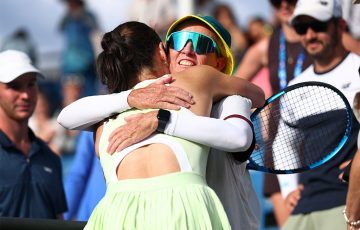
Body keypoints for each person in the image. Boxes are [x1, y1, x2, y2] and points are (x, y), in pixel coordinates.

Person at [57, 15, 264, 229]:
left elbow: (240, 135)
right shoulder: (121, 104)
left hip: (117, 214)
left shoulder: (102, 119)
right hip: (183, 211)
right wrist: (131, 99)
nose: (187, 49)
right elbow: (66, 117)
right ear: (162, 52)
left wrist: (160, 119)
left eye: (202, 44)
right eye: (178, 41)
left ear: (220, 62)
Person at [277, 0, 360, 229]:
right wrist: (289, 189)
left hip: (346, 204)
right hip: (305, 205)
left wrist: (357, 165)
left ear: (340, 25)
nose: (310, 35)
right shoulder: (295, 86)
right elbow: (284, 141)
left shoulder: (358, 69)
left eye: (318, 25)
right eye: (302, 28)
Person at [0, 50, 67, 218]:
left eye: (31, 84)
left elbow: (59, 220)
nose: (25, 95)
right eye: (14, 86)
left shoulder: (50, 158)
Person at [59, 0, 99, 96]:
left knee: (89, 95)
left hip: (87, 63)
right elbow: (60, 28)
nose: (68, 5)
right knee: (71, 96)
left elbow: (96, 35)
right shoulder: (67, 18)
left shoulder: (88, 17)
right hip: (70, 64)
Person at [63, 131, 105, 221]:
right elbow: (78, 176)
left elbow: (78, 175)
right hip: (92, 216)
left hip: (91, 217)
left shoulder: (97, 123)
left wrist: (63, 220)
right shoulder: (94, 126)